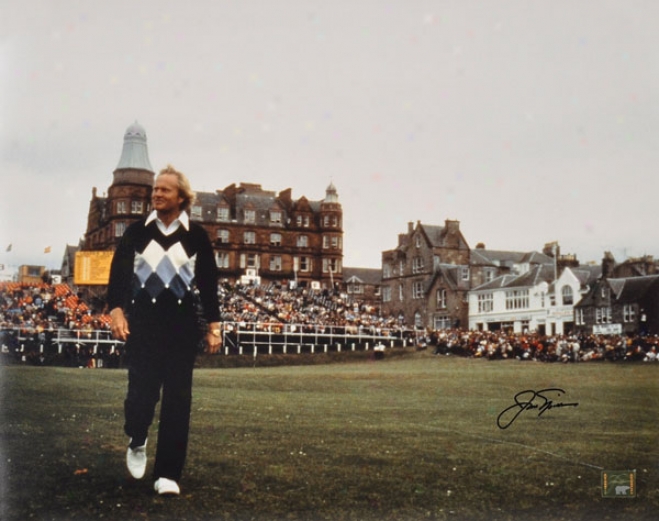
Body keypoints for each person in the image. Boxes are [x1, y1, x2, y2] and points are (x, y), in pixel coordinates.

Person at [107, 165, 222, 496]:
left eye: (164, 190)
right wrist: (116, 312)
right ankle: (137, 436)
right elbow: (117, 279)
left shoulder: (196, 236)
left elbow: (209, 285)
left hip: (182, 329)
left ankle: (168, 474)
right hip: (143, 326)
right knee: (141, 396)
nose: (156, 193)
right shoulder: (136, 232)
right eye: (155, 189)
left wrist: (214, 327)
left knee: (178, 400)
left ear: (182, 197)